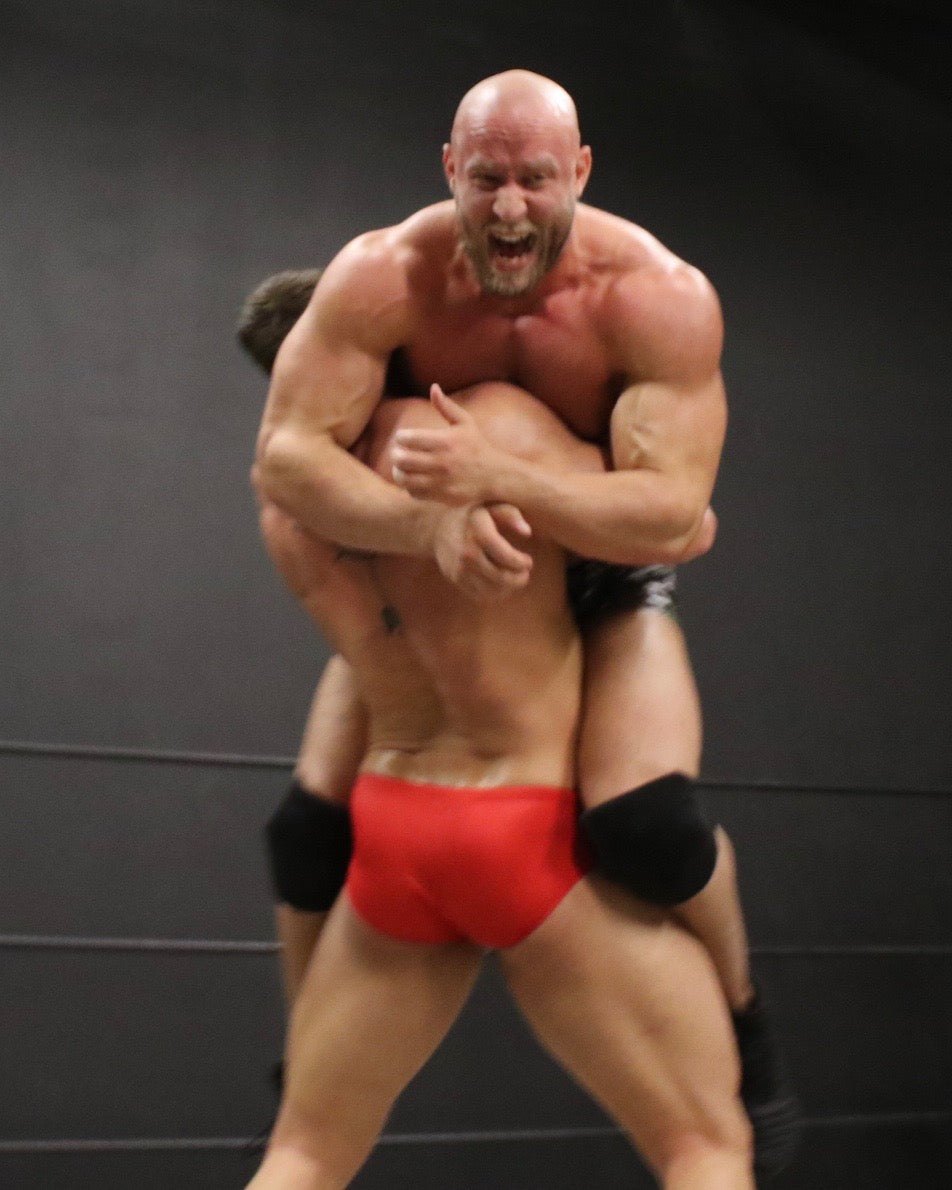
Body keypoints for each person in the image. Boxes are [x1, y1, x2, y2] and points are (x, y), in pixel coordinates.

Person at [247, 69, 799, 1177]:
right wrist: (425, 529)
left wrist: (506, 479)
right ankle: (305, 1045)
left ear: (580, 175)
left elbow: (667, 515)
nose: (508, 210)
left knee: (649, 821)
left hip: (594, 582)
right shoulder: (382, 282)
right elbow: (285, 460)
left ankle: (744, 1009)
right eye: (486, 179)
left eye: (535, 182)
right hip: (468, 651)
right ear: (448, 170)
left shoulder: (654, 295)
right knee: (304, 834)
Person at [247, 381, 754, 1190]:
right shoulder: (507, 431)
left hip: (396, 823)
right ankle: (746, 1008)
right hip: (522, 830)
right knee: (708, 1146)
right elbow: (679, 521)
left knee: (302, 1153)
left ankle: (295, 1060)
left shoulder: (298, 484)